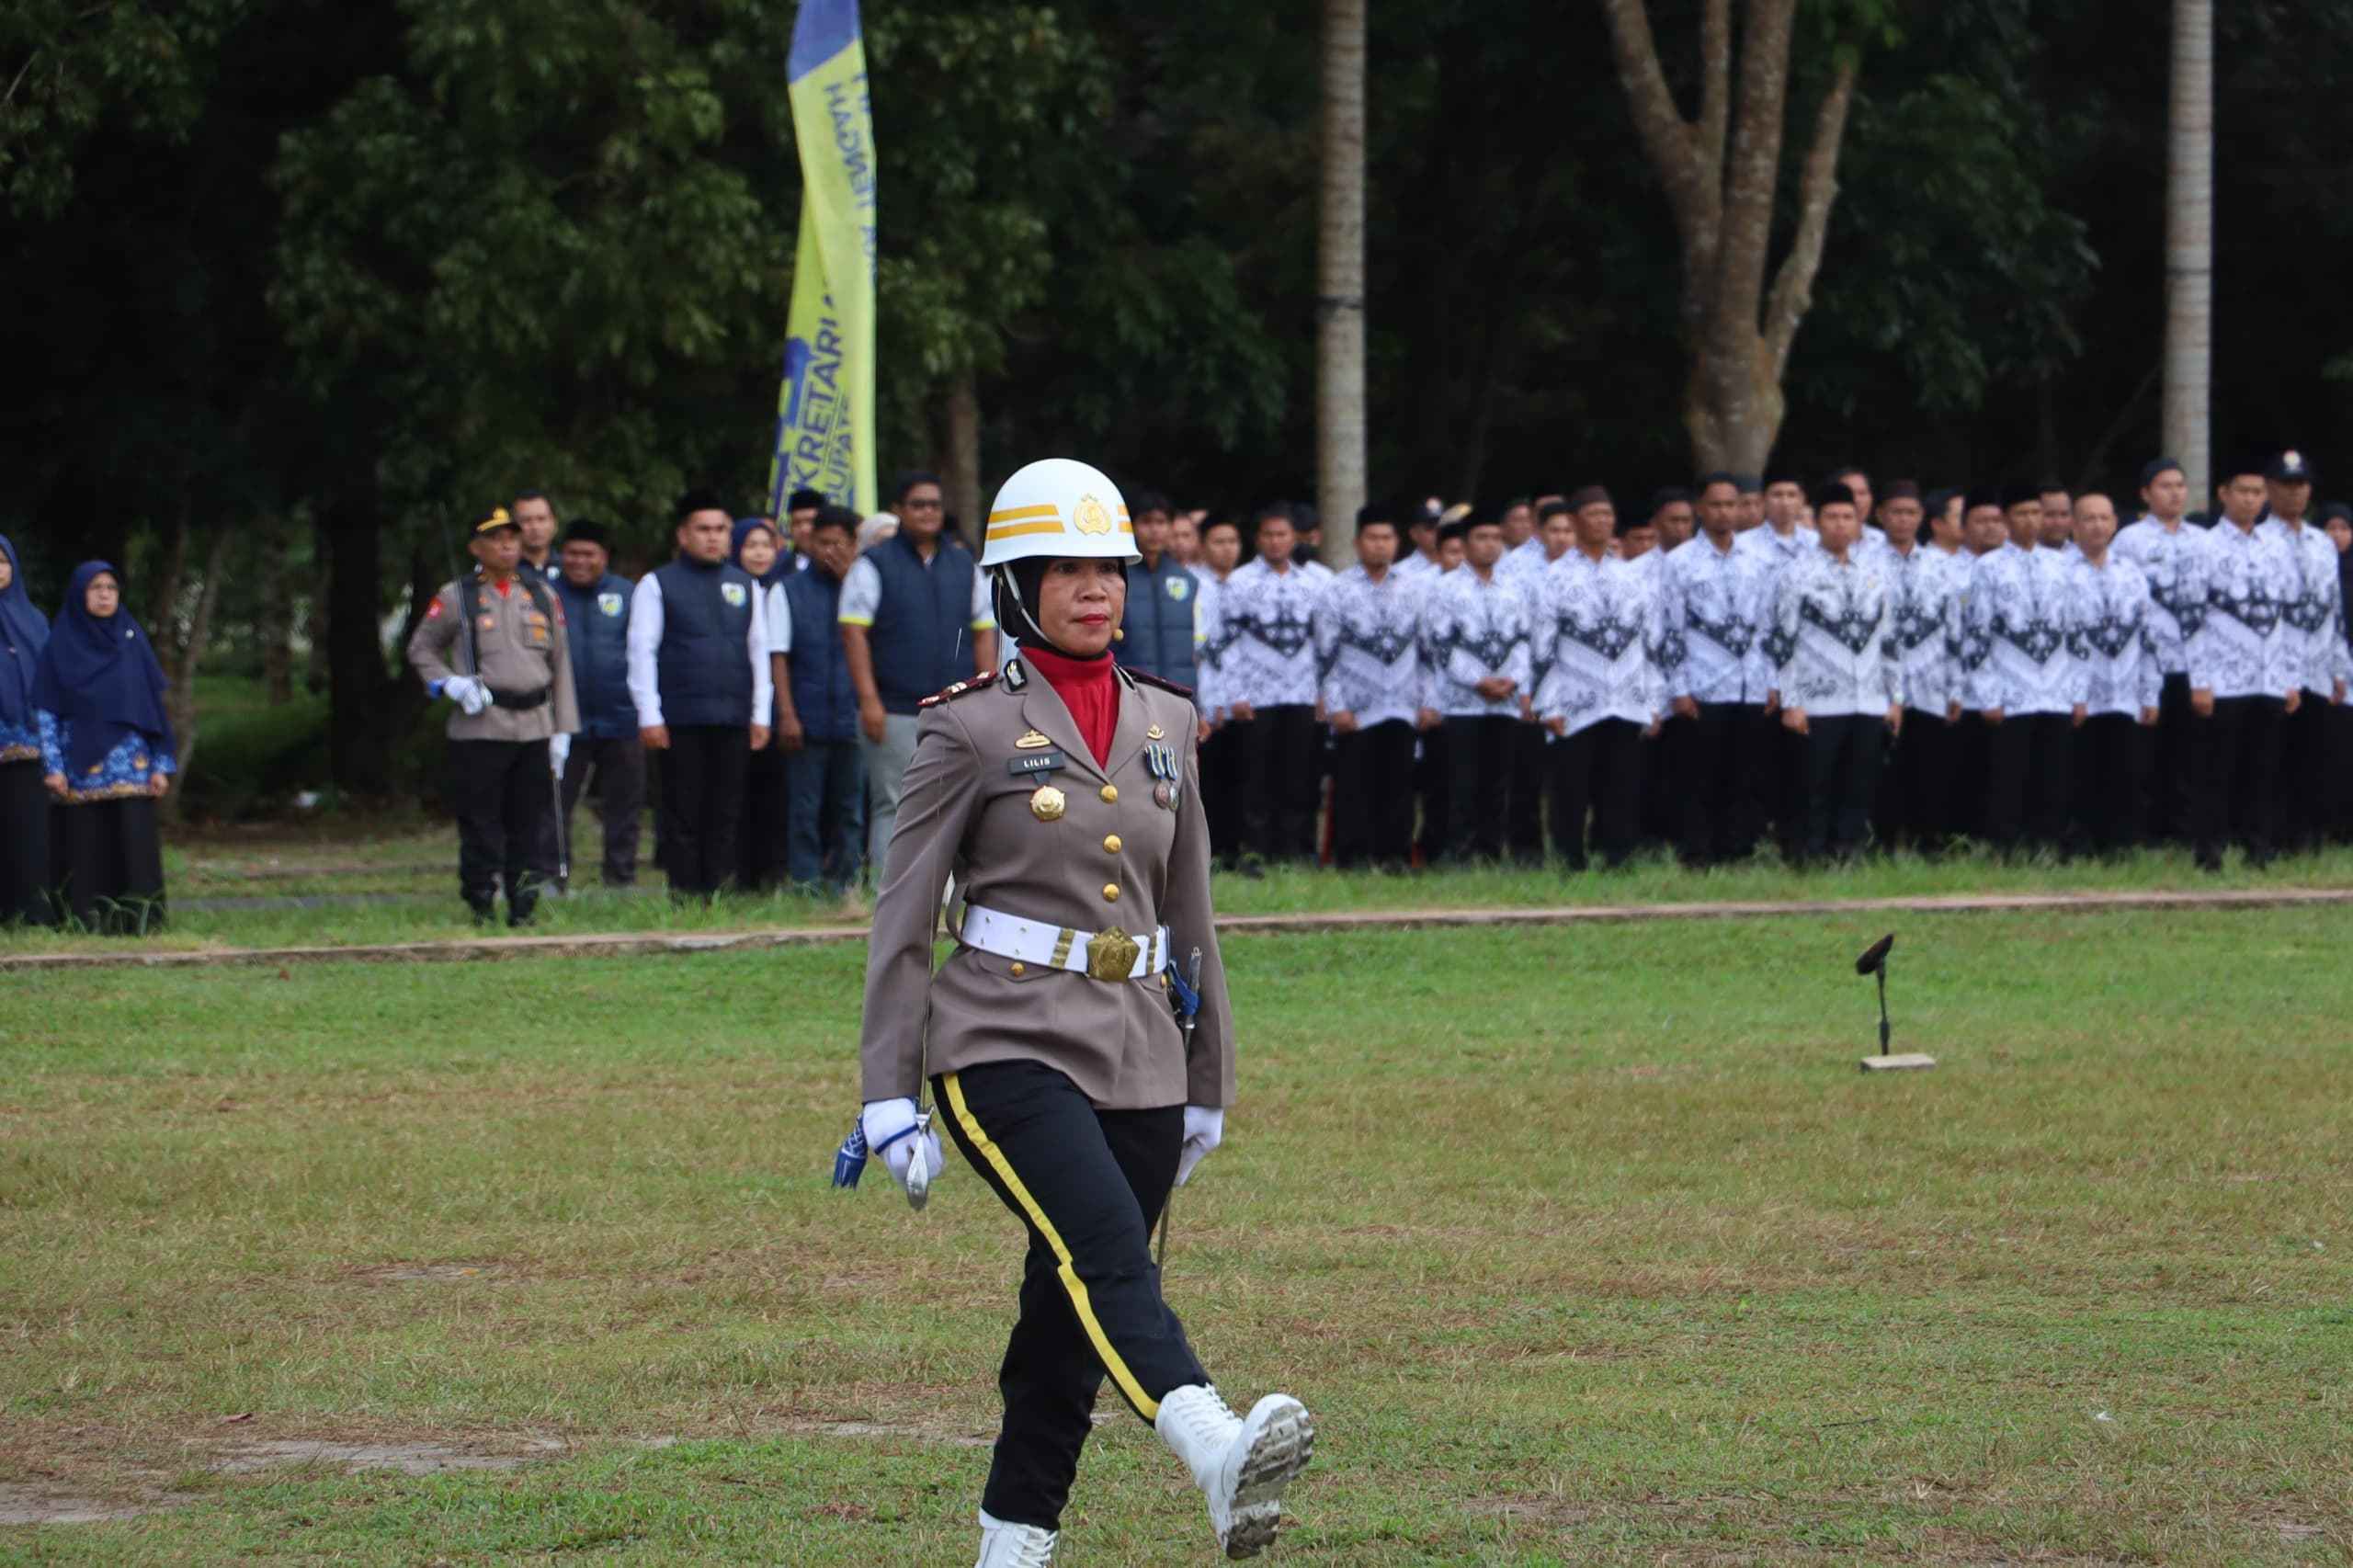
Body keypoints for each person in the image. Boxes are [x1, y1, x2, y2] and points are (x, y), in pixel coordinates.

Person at [858, 457, 1313, 1566]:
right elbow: (903, 913)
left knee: (1065, 1319)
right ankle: (1210, 1441)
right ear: (1014, 587)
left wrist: (1207, 1079)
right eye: (1061, 569)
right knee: (1107, 1251)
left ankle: (1012, 1545)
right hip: (999, 1037)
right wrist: (885, 1094)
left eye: (1106, 567)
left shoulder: (1168, 715)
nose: (1092, 587)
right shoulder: (965, 729)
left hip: (1143, 1044)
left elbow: (1189, 910)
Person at [407, 508, 578, 924]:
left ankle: (524, 905)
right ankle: (481, 899)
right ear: (476, 548)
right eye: (496, 538)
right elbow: (421, 649)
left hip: (535, 724)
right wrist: (449, 684)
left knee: (529, 823)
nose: (507, 545)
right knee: (481, 822)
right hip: (481, 725)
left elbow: (561, 663)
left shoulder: (541, 595)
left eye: (512, 538)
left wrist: (564, 730)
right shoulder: (457, 596)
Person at [840, 471, 997, 878]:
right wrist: (869, 701)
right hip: (893, 706)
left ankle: (947, 897)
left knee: (958, 802)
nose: (928, 512)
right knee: (894, 803)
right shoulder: (873, 564)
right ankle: (886, 894)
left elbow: (984, 632)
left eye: (934, 505)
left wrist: (988, 692)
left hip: (957, 707)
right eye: (917, 504)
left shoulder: (964, 564)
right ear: (898, 511)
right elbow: (854, 633)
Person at [626, 492, 774, 900]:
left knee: (727, 810)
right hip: (680, 716)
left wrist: (761, 713)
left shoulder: (746, 585)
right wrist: (649, 714)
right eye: (704, 529)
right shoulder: (657, 584)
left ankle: (718, 893)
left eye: (721, 529)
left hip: (734, 714)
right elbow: (642, 651)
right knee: (682, 809)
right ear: (683, 535)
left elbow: (758, 651)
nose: (713, 537)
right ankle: (685, 893)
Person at [32, 562, 176, 934]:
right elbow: (46, 711)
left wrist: (161, 763)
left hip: (135, 766)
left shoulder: (132, 638)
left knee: (135, 844)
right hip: (81, 768)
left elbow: (154, 708)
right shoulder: (60, 645)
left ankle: (141, 920)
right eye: (95, 587)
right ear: (80, 594)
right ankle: (88, 920)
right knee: (87, 846)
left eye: (111, 587)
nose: (104, 594)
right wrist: (53, 766)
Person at [1535, 488, 1665, 871]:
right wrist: (1548, 704)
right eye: (1593, 514)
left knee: (1622, 786)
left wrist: (1653, 700)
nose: (1603, 521)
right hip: (1575, 699)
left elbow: (1650, 644)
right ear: (1575, 522)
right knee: (1571, 788)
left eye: (1608, 514)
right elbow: (1542, 647)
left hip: (1626, 698)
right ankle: (1568, 860)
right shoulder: (1552, 578)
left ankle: (1618, 858)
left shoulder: (1632, 577)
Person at [1770, 483, 1900, 864]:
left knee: (1860, 784)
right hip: (1818, 700)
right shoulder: (1796, 572)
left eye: (1848, 517)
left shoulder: (1877, 573)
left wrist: (1896, 699)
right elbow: (1782, 641)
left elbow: (1890, 640)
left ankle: (1849, 853)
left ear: (1858, 522)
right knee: (1815, 784)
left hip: (1870, 698)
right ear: (1817, 522)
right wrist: (1791, 702)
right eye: (1832, 517)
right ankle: (1809, 855)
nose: (1841, 525)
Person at [2187, 460, 2302, 871]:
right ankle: (2210, 850)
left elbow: (2288, 617)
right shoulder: (2203, 546)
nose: (2251, 499)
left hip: (2269, 676)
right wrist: (2200, 681)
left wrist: (2291, 677)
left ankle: (2259, 848)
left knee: (2264, 769)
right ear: (2224, 494)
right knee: (2218, 768)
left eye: (2258, 492)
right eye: (2243, 491)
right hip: (2223, 678)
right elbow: (2192, 617)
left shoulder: (2276, 546)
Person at [1658, 474, 1777, 867]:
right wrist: (1678, 688)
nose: (1725, 512)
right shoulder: (1679, 563)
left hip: (1750, 685)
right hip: (1702, 685)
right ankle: (1697, 854)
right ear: (1700, 509)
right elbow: (1670, 629)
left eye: (1732, 504)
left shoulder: (1759, 561)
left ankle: (1736, 853)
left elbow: (1769, 626)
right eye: (1717, 505)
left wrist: (1772, 680)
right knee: (1697, 778)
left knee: (1744, 776)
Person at [1960, 484, 2075, 857]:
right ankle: (2006, 847)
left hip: (2056, 689)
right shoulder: (1988, 567)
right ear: (2007, 519)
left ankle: (2050, 845)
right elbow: (1976, 635)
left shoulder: (2062, 564)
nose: (2030, 521)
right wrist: (1988, 694)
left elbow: (2075, 634)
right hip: (2011, 689)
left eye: (2036, 513)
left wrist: (2078, 692)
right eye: (2022, 514)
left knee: (2054, 774)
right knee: (2009, 775)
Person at [1313, 505, 1426, 870]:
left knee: (1400, 786)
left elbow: (1427, 651)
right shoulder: (1337, 590)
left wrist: (1427, 701)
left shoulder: (1414, 590)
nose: (1380, 545)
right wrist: (1335, 705)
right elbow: (1324, 655)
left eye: (1387, 538)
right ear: (1358, 543)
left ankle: (1394, 856)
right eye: (1373, 538)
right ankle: (1354, 857)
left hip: (1403, 705)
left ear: (1397, 543)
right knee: (1354, 786)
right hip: (1356, 708)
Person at [1420, 509, 1535, 863]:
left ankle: (1490, 851)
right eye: (1481, 539)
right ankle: (1458, 852)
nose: (1490, 546)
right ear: (1466, 544)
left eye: (1495, 538)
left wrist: (1512, 680)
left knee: (1498, 781)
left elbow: (1525, 639)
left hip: (1505, 700)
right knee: (1461, 781)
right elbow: (1440, 644)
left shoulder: (1515, 588)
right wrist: (1478, 681)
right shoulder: (1444, 588)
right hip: (1461, 702)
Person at [1216, 506, 1325, 866]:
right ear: (1258, 539)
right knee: (1255, 777)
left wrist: (1324, 692)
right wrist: (1236, 694)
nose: (1276, 541)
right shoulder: (1240, 582)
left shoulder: (1315, 583)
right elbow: (1226, 643)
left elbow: (1325, 644)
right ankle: (1256, 851)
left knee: (1299, 775)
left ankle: (1296, 850)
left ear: (1295, 538)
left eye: (1282, 534)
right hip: (1257, 695)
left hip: (1302, 692)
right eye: (1268, 534)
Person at [1866, 482, 1968, 855]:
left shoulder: (1942, 567)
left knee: (1931, 769)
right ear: (1880, 515)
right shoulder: (1865, 563)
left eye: (1910, 513)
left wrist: (1956, 687)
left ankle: (1931, 842)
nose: (1903, 520)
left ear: (1922, 518)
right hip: (1879, 685)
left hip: (1931, 684)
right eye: (1895, 512)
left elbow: (1955, 631)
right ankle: (1883, 843)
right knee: (1884, 771)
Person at [2256, 451, 2349, 853]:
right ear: (2270, 490)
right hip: (2273, 667)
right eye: (2286, 485)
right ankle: (2270, 836)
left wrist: (2339, 668)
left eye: (2301, 485)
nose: (2295, 494)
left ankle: (2309, 836)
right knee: (2272, 757)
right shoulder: (2258, 540)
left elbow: (2333, 609)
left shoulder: (2321, 543)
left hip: (2316, 665)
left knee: (2316, 756)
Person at [772, 506, 867, 894]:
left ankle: (846, 882)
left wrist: (850, 581)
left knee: (850, 809)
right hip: (807, 716)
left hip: (854, 715)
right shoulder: (788, 590)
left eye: (839, 544)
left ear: (853, 545)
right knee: (804, 809)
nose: (830, 551)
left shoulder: (864, 587)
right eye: (823, 543)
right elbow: (779, 656)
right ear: (808, 543)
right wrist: (787, 714)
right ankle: (805, 883)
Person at [2111, 459, 2206, 844]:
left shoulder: (2202, 539)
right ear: (2146, 493)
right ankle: (2146, 831)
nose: (2174, 493)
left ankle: (2183, 830)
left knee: (2189, 751)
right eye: (2165, 486)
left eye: (2180, 485)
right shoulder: (2129, 540)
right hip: (2147, 664)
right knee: (2148, 753)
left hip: (2194, 664)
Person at [2062, 492, 2161, 858]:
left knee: (2125, 774)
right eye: (2089, 518)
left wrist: (2150, 693)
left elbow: (2148, 638)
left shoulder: (2131, 573)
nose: (2098, 526)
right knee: (2080, 774)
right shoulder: (2060, 572)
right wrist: (2072, 693)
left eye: (2105, 518)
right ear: (2074, 524)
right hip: (2080, 696)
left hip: (2125, 693)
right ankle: (2077, 846)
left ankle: (2120, 846)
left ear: (2115, 524)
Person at [549, 520, 646, 889]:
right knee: (555, 804)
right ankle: (553, 876)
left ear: (603, 557)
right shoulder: (547, 593)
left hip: (621, 715)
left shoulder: (628, 593)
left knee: (624, 805)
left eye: (588, 554)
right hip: (564, 719)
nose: (580, 561)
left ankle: (620, 877)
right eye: (572, 553)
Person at [731, 518, 791, 892]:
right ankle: (742, 874)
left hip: (778, 711)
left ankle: (773, 873)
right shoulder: (729, 591)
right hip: (741, 708)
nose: (758, 553)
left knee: (775, 796)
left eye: (766, 545)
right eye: (750, 545)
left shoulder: (783, 591)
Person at [0, 534, 51, 925]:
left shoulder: (35, 622)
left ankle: (31, 913)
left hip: (32, 748)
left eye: (2, 562)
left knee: (29, 833)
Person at [1118, 489, 1202, 697]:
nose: (1154, 530)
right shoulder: (1117, 577)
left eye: (1161, 522)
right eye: (1146, 522)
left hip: (1179, 695)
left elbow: (1197, 650)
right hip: (1130, 692)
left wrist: (1198, 706)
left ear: (1170, 526)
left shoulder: (1188, 580)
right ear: (1132, 526)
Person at [512, 490, 560, 581]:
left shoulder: (570, 568)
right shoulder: (500, 570)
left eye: (541, 519)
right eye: (526, 520)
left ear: (554, 524)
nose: (535, 527)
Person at [784, 487, 826, 569]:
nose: (804, 529)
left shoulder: (841, 567)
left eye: (810, 521)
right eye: (796, 523)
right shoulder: (776, 568)